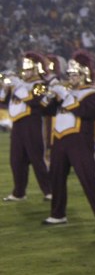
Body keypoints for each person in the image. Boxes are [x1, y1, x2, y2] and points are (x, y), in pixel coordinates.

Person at [42, 51, 95, 225]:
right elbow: (46, 110)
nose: (72, 78)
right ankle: (58, 214)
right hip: (59, 138)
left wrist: (67, 96)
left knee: (88, 175)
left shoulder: (93, 93)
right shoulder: (65, 92)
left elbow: (87, 112)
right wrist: (50, 96)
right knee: (56, 177)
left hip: (80, 140)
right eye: (70, 74)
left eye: (75, 74)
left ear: (85, 74)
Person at [2, 52, 52, 202]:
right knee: (16, 160)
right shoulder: (20, 84)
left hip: (32, 123)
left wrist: (18, 85)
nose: (25, 72)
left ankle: (50, 191)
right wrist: (5, 86)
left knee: (37, 159)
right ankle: (19, 192)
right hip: (17, 125)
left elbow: (34, 100)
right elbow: (3, 100)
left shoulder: (41, 84)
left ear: (36, 69)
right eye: (24, 69)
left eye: (28, 69)